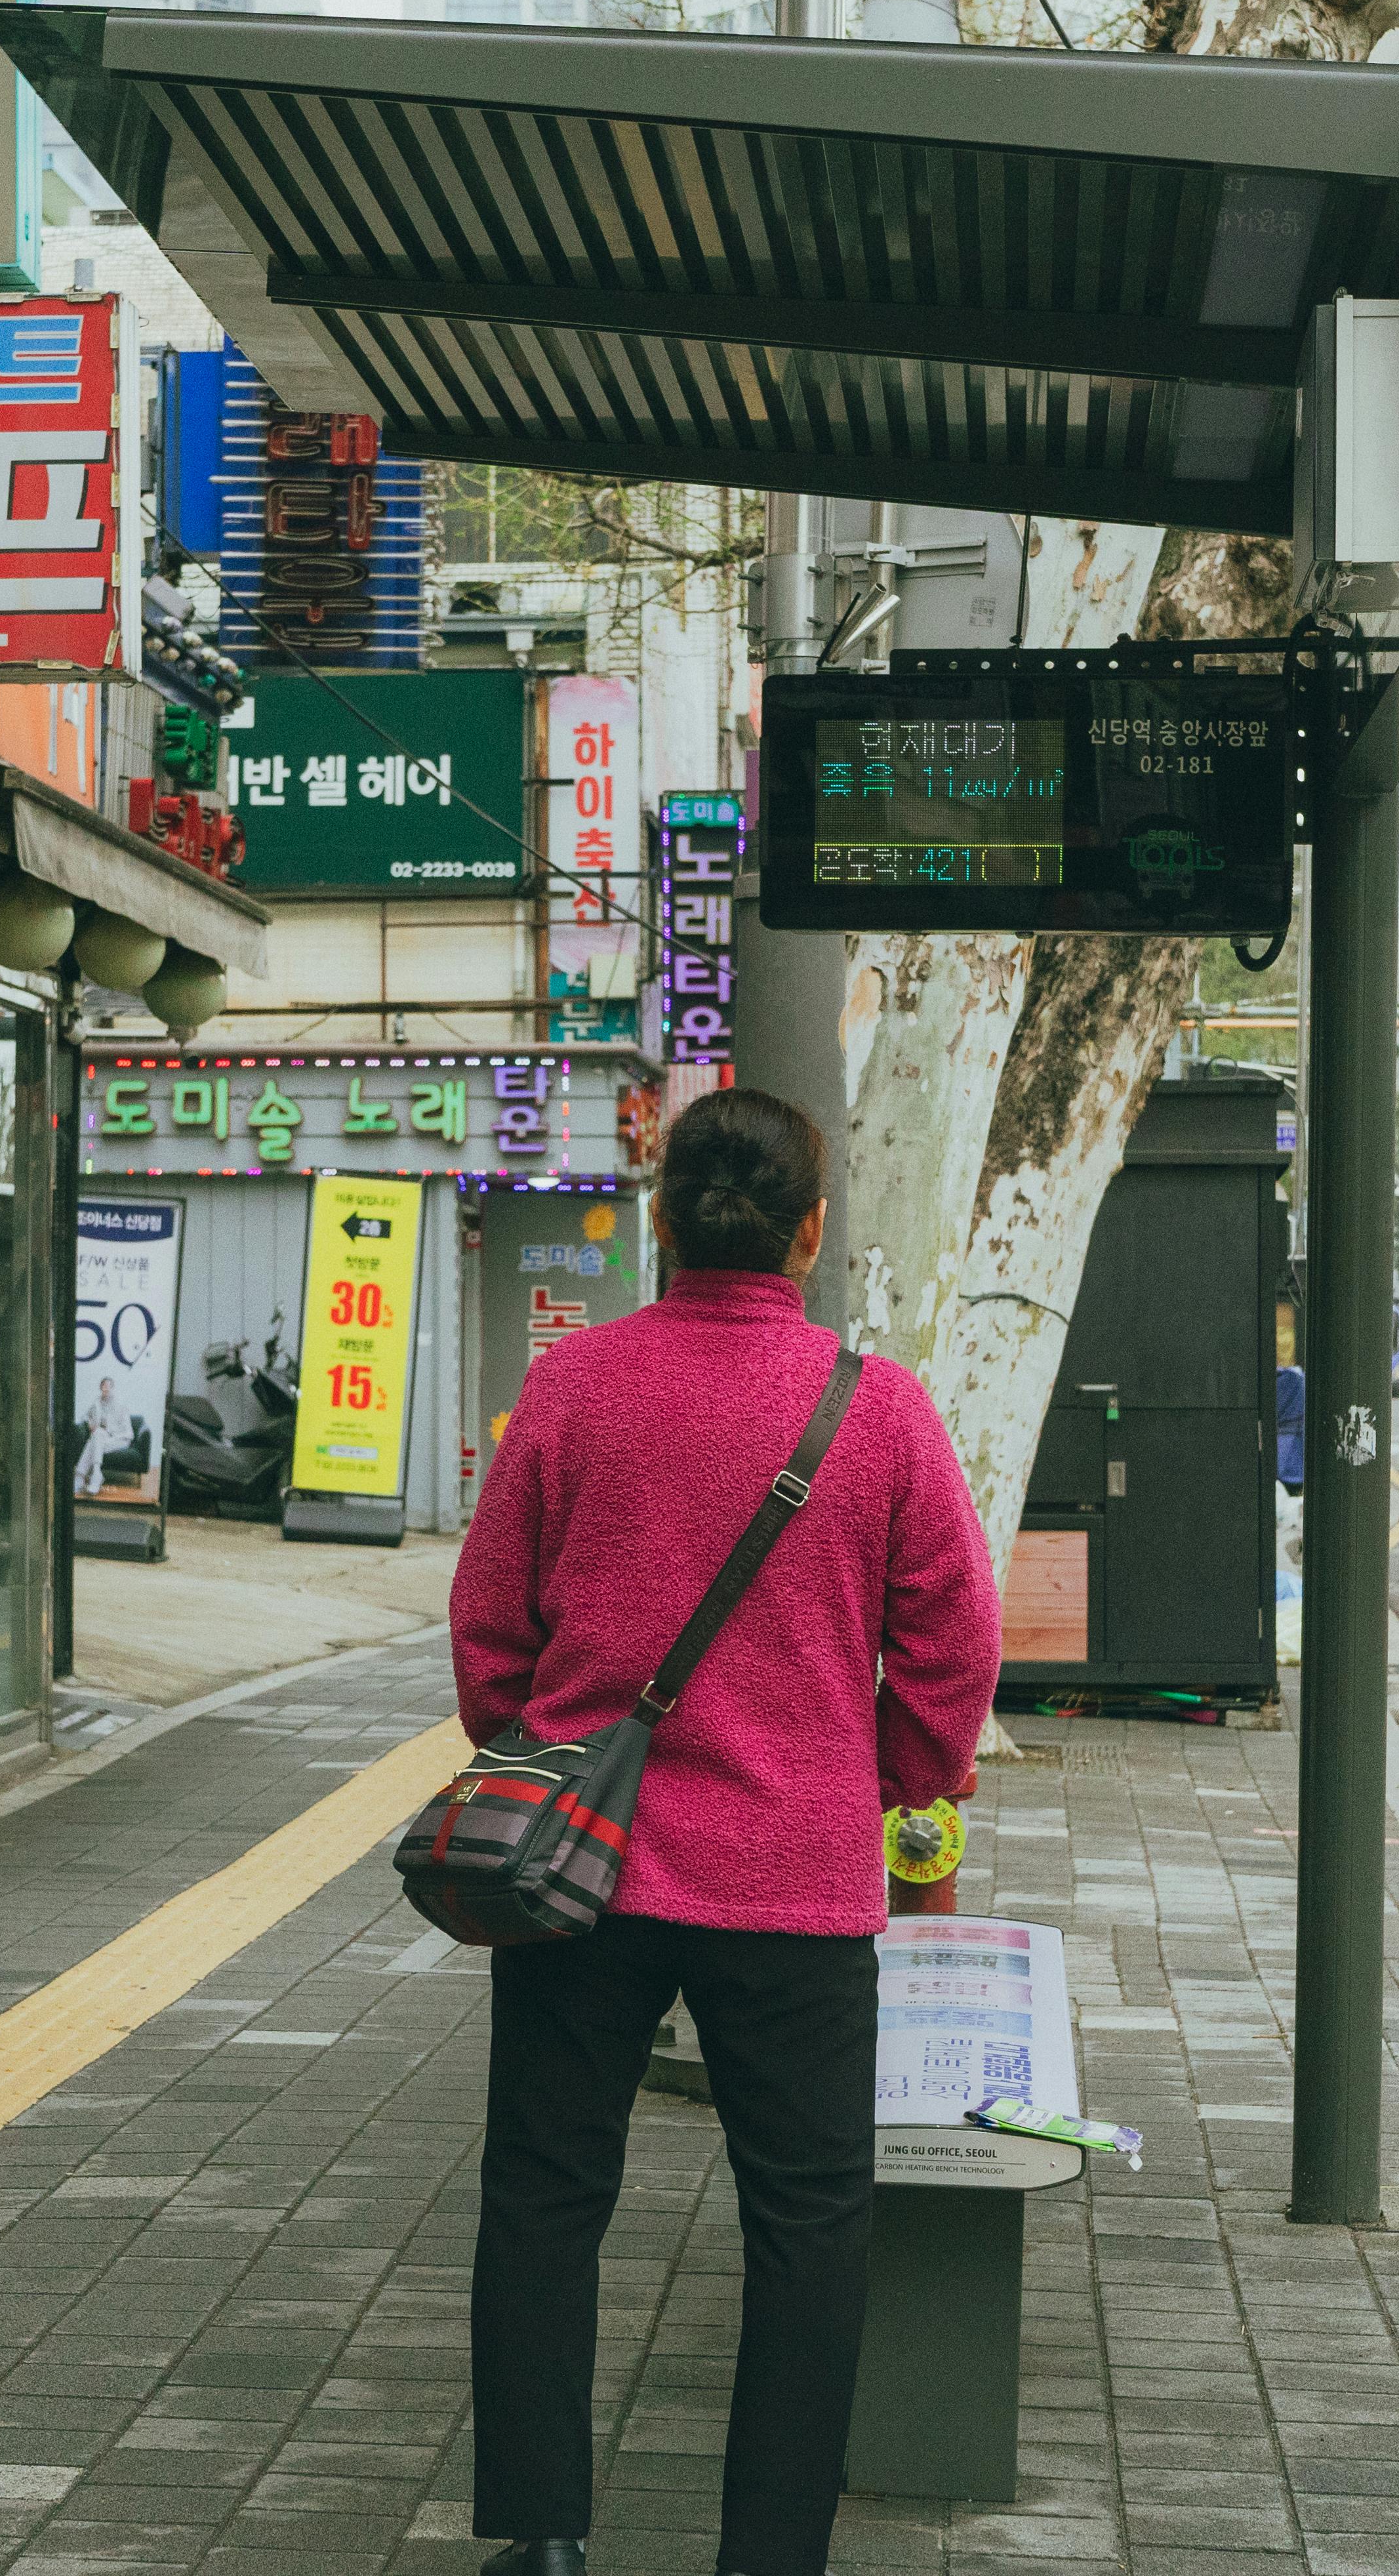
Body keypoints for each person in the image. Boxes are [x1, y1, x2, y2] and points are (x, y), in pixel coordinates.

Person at [449, 1086, 1002, 2576]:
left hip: (581, 1874)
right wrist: (882, 1771)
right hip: (797, 1890)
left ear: (663, 1215)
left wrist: (542, 1754)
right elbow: (955, 1640)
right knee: (810, 2224)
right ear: (810, 1233)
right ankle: (770, 2552)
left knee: (548, 2193)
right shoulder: (874, 1407)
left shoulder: (573, 1390)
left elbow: (491, 1624)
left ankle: (545, 2533)